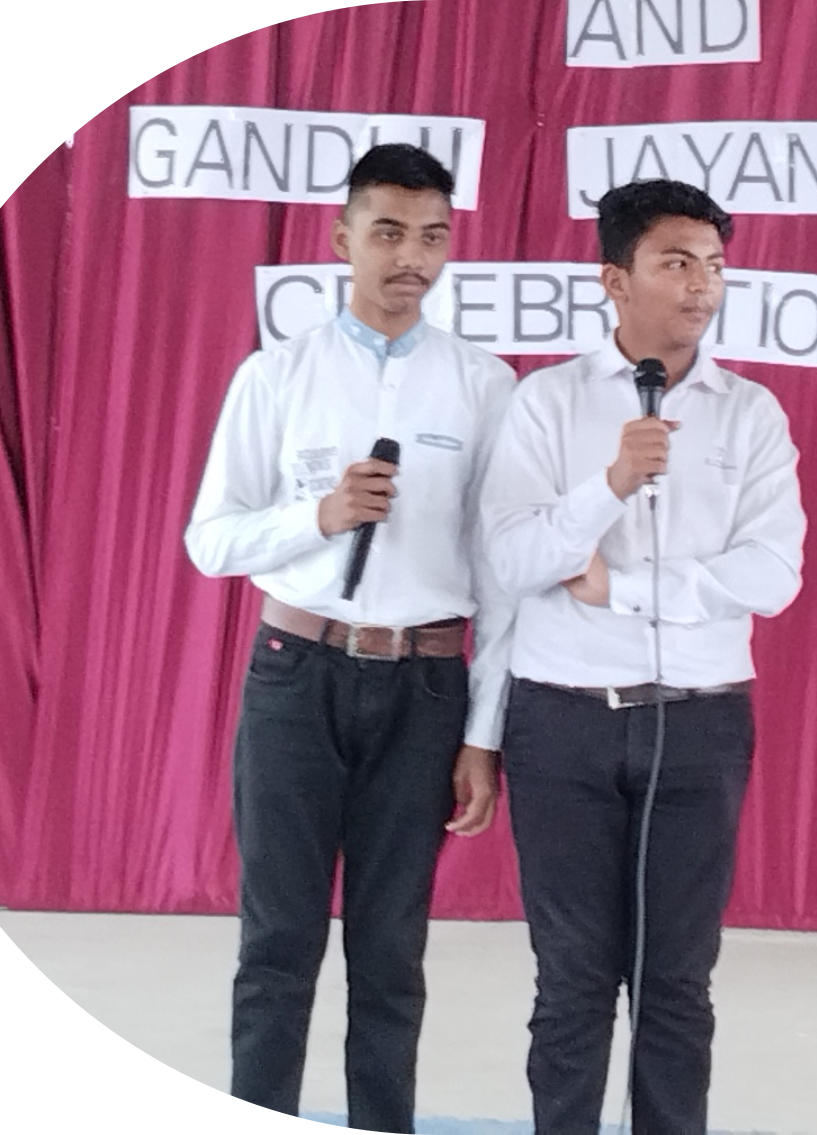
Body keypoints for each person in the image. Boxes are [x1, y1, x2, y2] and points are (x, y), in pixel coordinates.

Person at [184, 143, 515, 1133]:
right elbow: (210, 540)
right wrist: (318, 516)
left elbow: (501, 576)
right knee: (277, 942)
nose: (410, 257)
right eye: (388, 233)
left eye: (432, 237)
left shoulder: (484, 385)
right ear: (341, 239)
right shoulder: (276, 375)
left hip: (424, 686)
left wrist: (483, 734)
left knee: (390, 949)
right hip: (297, 674)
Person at [478, 178, 807, 1134]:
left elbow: (774, 573)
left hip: (700, 722)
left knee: (676, 982)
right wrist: (611, 483)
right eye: (675, 262)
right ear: (614, 280)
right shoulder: (546, 403)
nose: (701, 284)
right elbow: (513, 557)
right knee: (572, 979)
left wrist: (624, 589)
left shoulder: (751, 413)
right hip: (563, 721)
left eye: (713, 265)